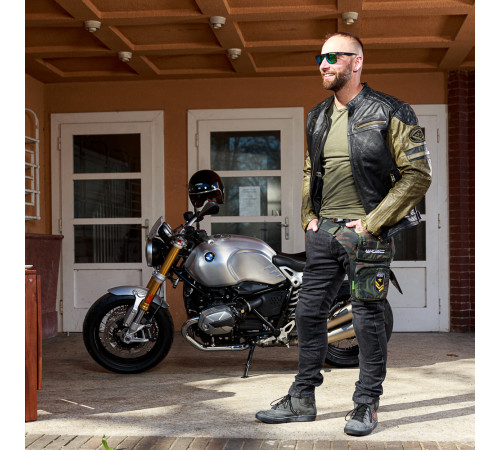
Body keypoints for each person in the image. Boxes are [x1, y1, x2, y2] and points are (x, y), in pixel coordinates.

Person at [255, 32, 432, 436]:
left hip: (367, 233)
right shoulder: (317, 116)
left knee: (367, 317)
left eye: (333, 57)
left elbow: (418, 174)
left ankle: (366, 404)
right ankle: (302, 399)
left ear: (357, 62)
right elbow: (310, 169)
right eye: (320, 57)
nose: (323, 64)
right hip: (324, 231)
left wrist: (373, 221)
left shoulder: (391, 110)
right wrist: (308, 216)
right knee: (307, 312)